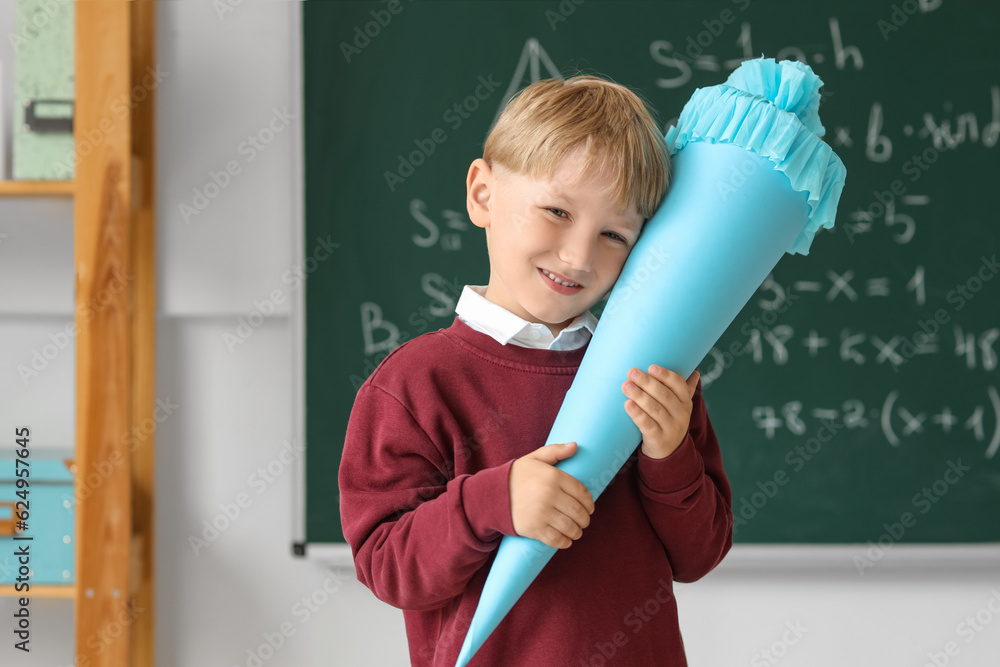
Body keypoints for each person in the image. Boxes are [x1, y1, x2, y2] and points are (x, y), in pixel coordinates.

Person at [339, 74, 733, 667]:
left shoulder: (652, 380)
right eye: (555, 210)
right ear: (482, 194)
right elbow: (388, 567)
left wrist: (668, 455)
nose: (578, 255)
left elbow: (698, 555)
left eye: (614, 234)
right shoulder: (415, 384)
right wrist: (489, 503)